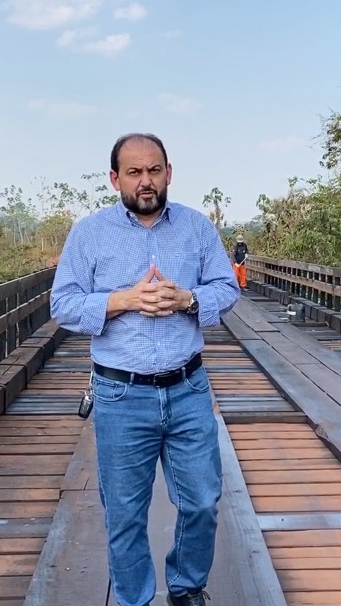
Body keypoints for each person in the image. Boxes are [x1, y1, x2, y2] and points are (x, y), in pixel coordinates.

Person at [50, 133, 241, 606]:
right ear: (116, 179)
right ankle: (134, 598)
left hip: (187, 388)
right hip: (119, 395)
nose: (146, 181)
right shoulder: (89, 233)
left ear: (169, 172)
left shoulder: (197, 229)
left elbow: (226, 287)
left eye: (154, 170)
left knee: (200, 501)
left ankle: (186, 587)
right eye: (134, 172)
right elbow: (62, 304)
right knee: (125, 513)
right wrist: (122, 301)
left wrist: (188, 299)